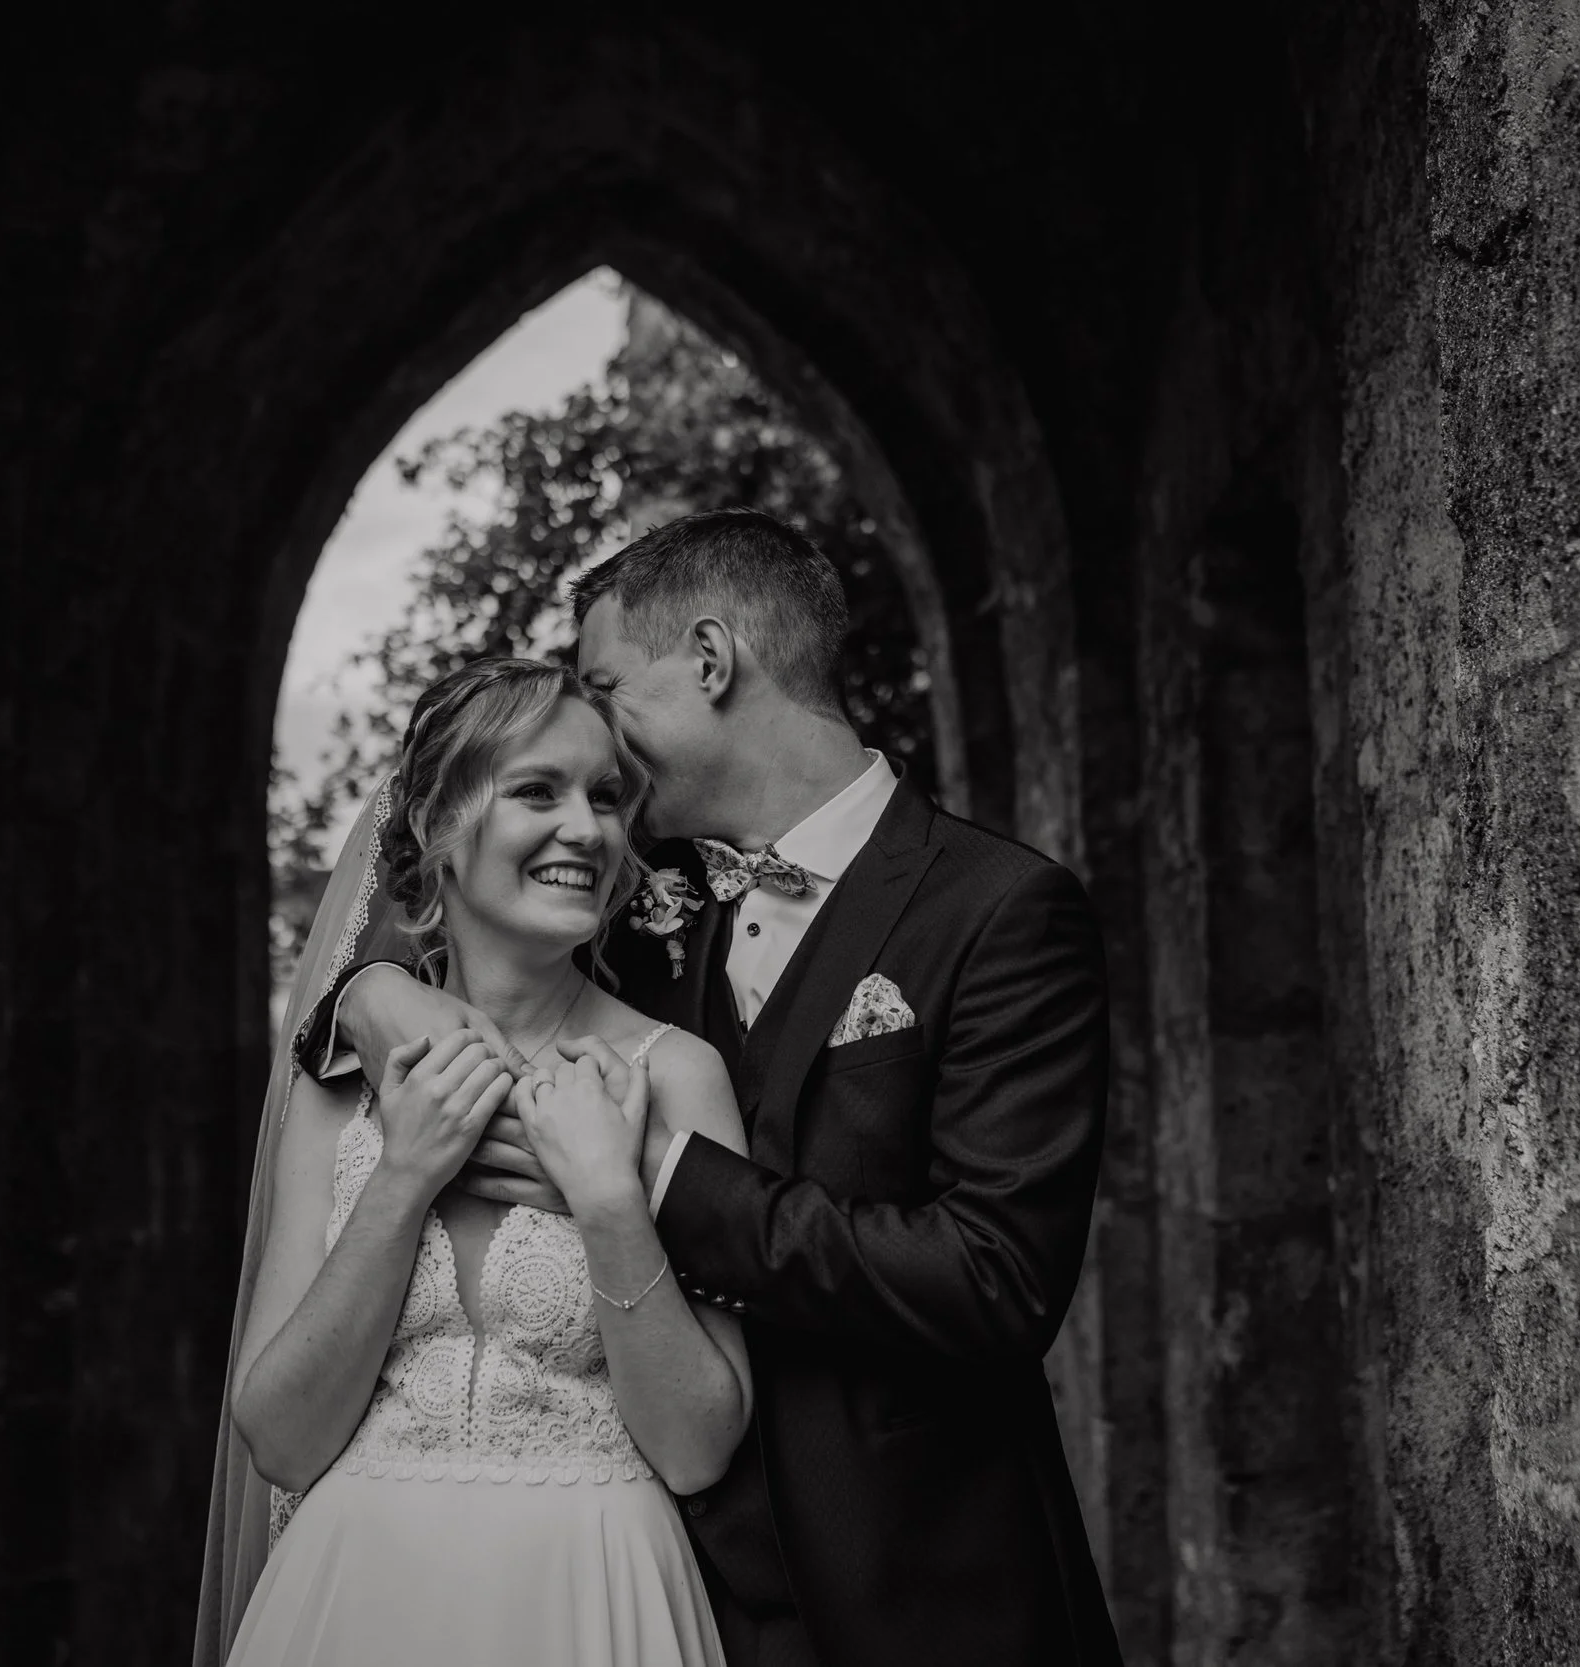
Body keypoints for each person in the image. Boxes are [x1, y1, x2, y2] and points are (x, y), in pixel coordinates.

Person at [297, 509, 1122, 1667]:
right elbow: (440, 905)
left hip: (922, 1580)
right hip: (661, 1584)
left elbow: (993, 1277)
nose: (599, 763)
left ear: (710, 658)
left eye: (605, 684)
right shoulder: (626, 899)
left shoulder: (997, 910)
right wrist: (379, 997)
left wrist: (657, 1174)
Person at [199, 659, 751, 1667]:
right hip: (354, 1597)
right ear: (433, 826)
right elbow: (277, 1438)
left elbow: (695, 1445)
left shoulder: (678, 1075)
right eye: (537, 790)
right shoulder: (340, 1081)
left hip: (594, 1595)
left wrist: (609, 1199)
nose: (585, 828)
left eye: (606, 796)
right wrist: (403, 1174)